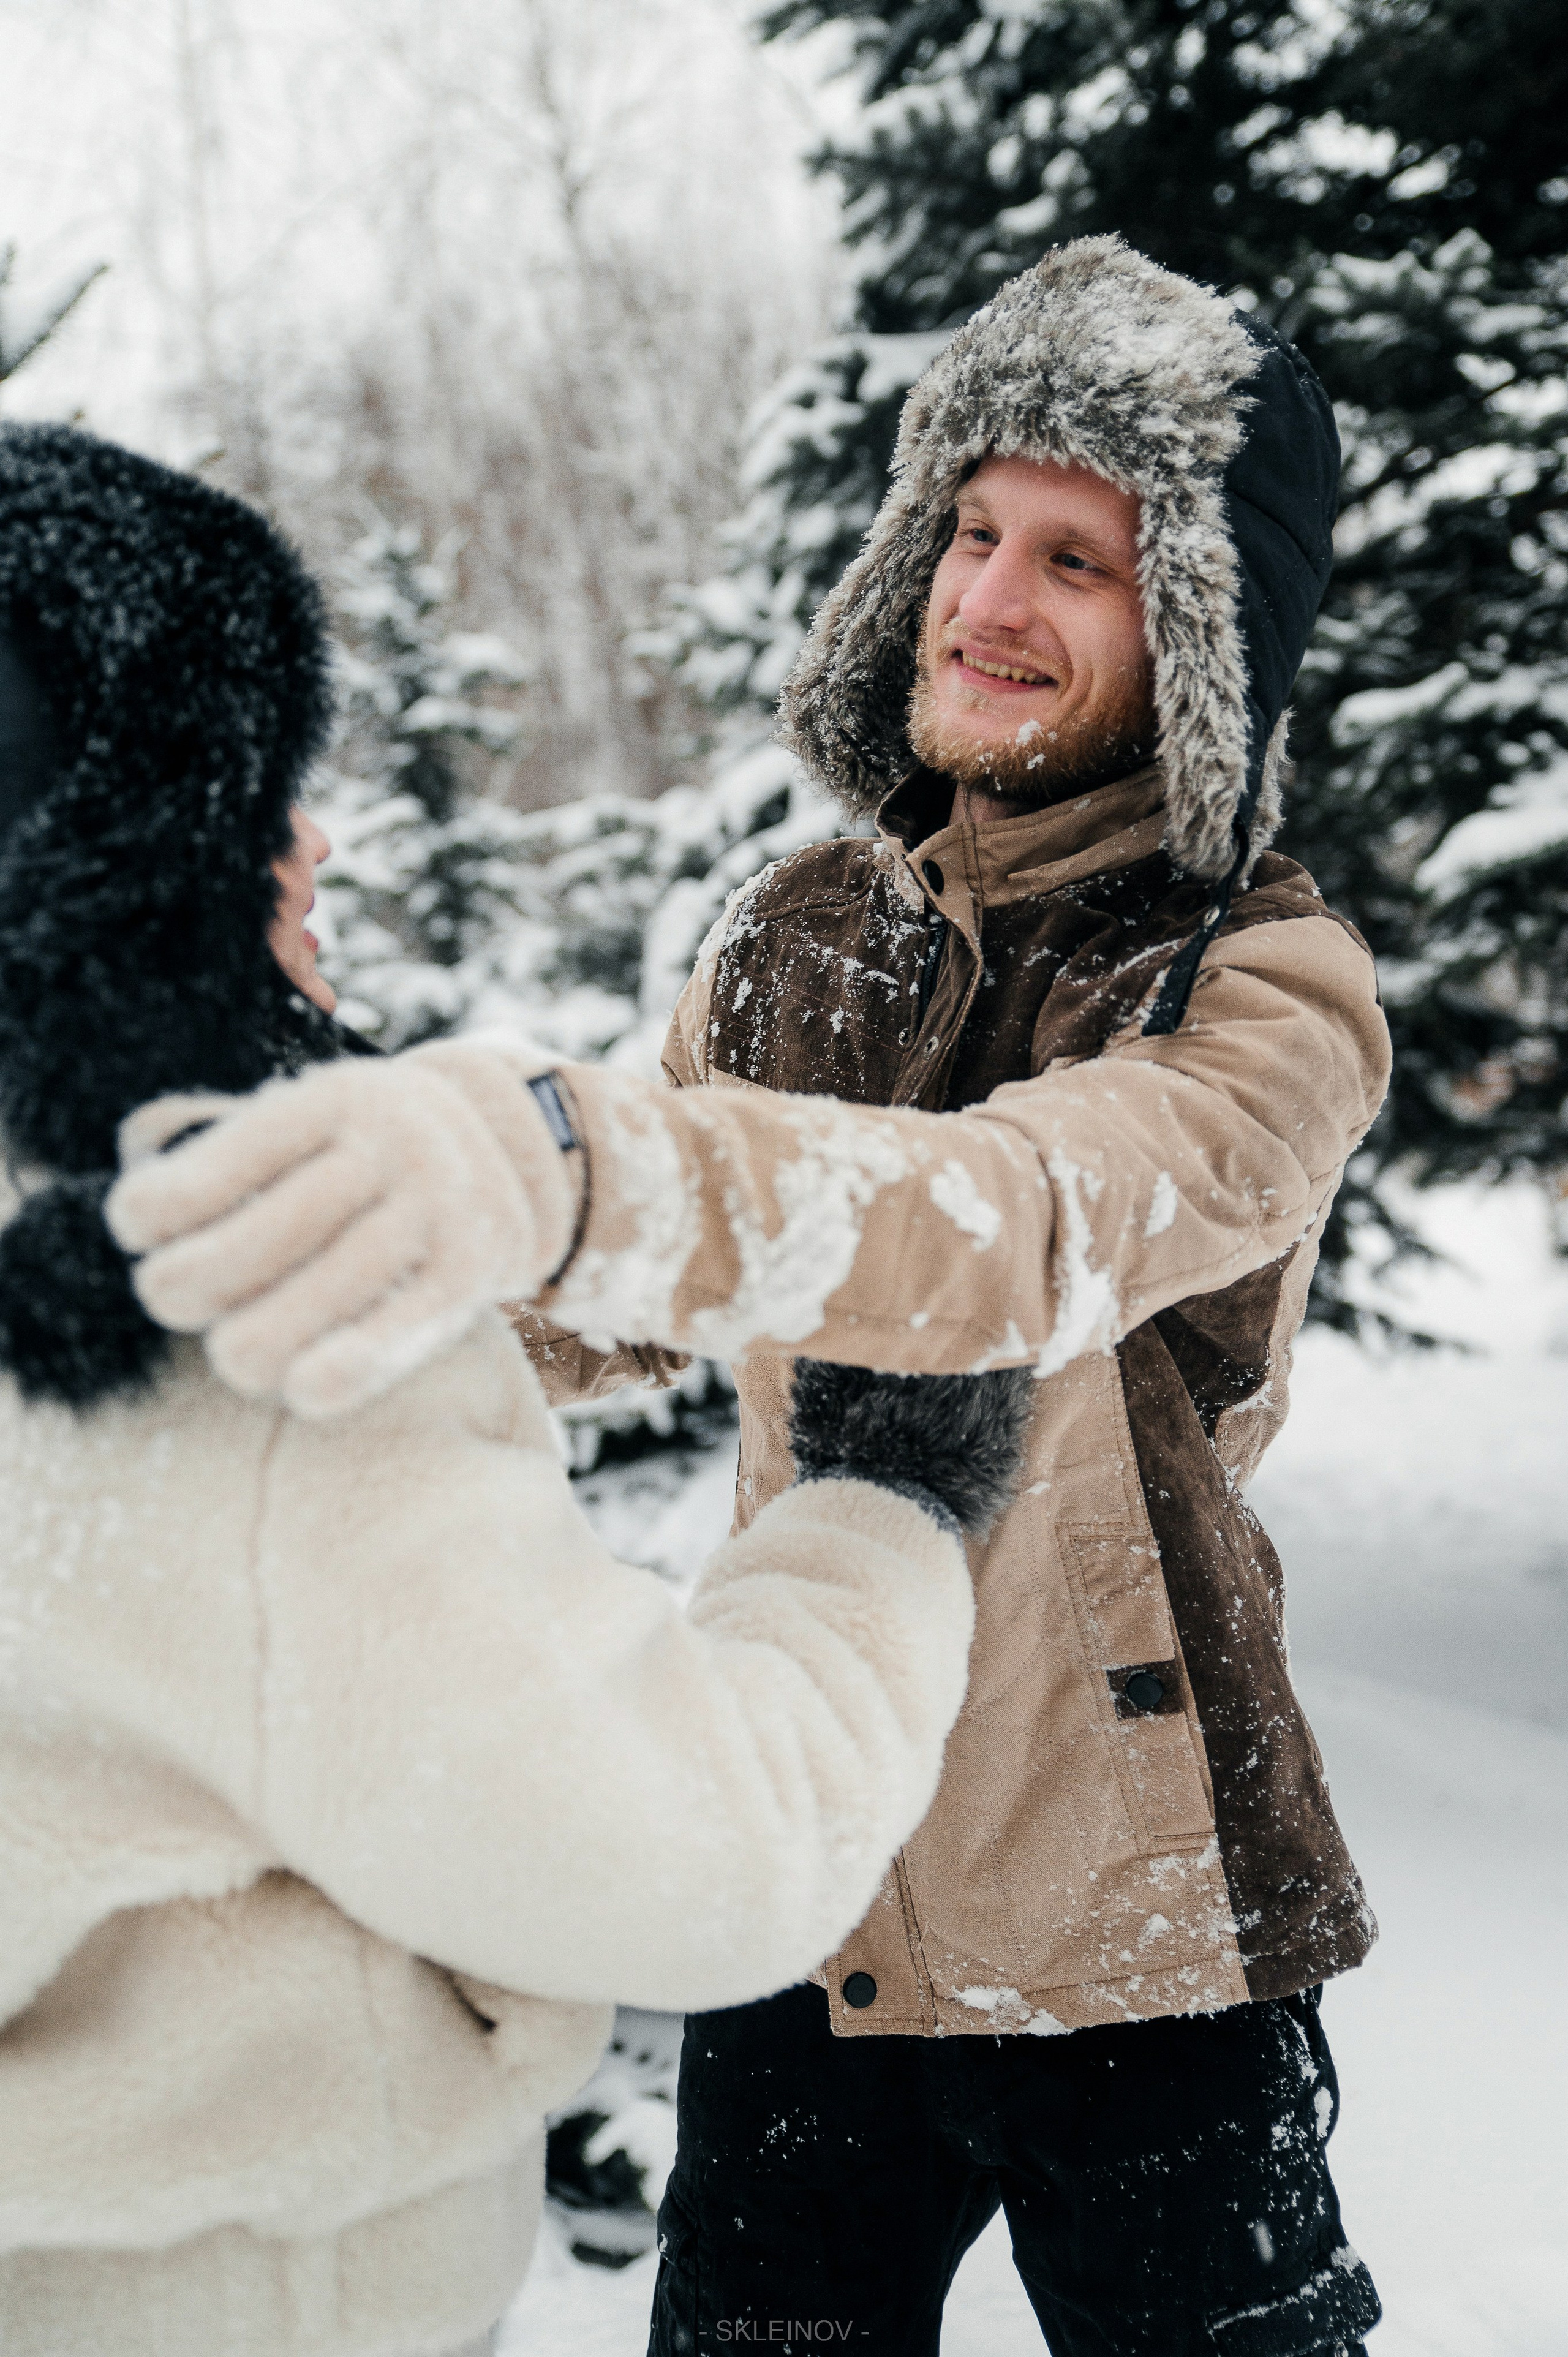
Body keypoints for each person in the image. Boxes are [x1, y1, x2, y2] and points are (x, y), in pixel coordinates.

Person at [113, 238, 1392, 2355]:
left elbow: (1013, 1229)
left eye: (1081, 561)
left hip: (1149, 1933)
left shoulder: (1261, 992)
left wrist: (582, 1164)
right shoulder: (802, 934)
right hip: (815, 1871)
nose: (990, 598)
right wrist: (283, 1116)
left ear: (1200, 630)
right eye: (974, 528)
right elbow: (600, 1297)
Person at [0, 421, 1031, 2357]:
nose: (308, 846)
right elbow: (692, 1858)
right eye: (251, 793)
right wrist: (878, 1515)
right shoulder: (225, 1335)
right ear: (122, 830)